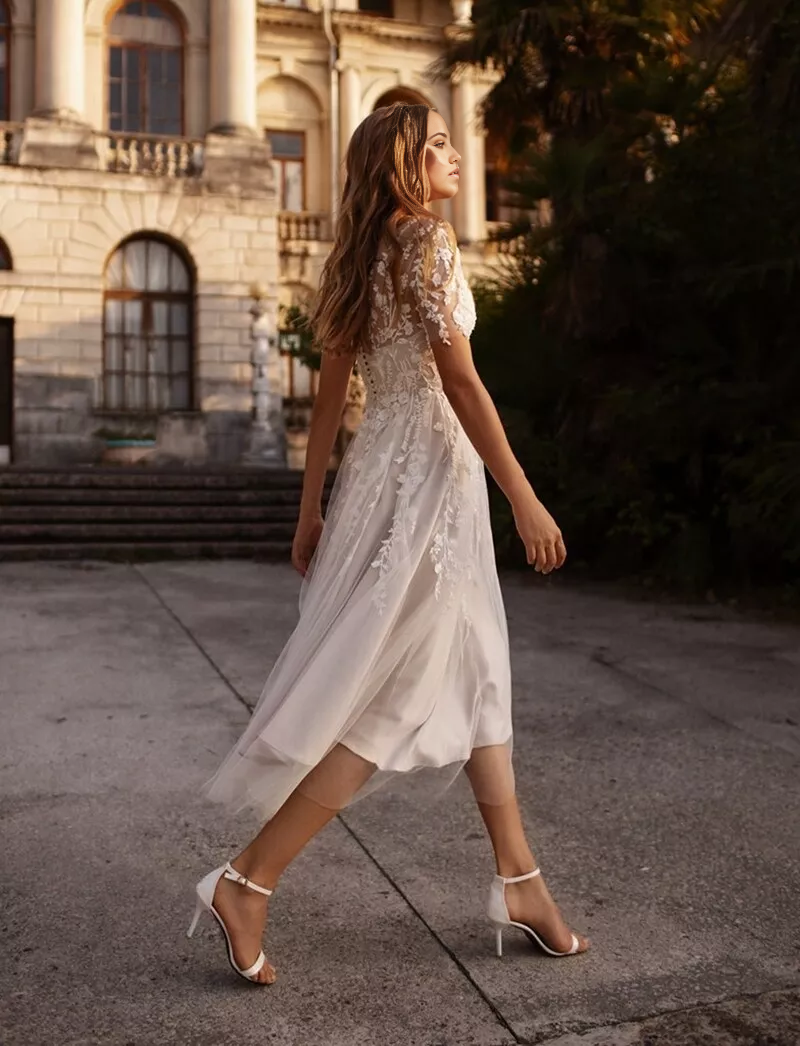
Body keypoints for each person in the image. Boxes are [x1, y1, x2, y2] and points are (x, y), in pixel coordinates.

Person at [186, 102, 589, 986]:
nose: (453, 153)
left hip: (385, 471)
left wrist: (311, 510)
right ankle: (247, 880)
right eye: (437, 143)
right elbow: (460, 379)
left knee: (479, 673)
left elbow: (331, 398)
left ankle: (520, 881)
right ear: (404, 163)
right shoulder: (427, 241)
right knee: (399, 694)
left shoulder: (359, 255)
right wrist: (524, 497)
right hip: (433, 478)